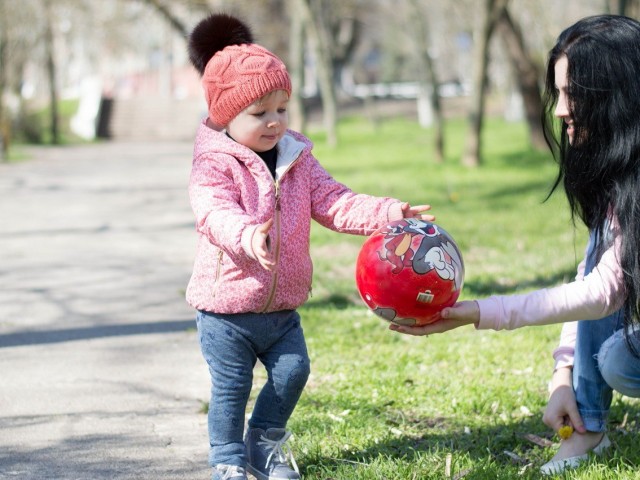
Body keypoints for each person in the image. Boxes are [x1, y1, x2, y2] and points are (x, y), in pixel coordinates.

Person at [390, 14, 640, 476]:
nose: (561, 110)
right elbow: (596, 279)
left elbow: (600, 295)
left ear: (616, 96)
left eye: (574, 96)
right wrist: (563, 373)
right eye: (560, 94)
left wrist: (479, 312)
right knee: (619, 357)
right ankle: (588, 427)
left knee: (622, 360)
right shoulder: (620, 176)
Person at [185, 13, 432, 480]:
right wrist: (246, 234)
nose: (275, 122)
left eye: (282, 109)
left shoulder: (296, 157)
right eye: (259, 114)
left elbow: (335, 201)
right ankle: (227, 459)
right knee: (231, 387)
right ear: (225, 116)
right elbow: (212, 211)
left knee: (293, 372)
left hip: (281, 307)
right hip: (225, 310)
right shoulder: (214, 163)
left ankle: (264, 443)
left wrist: (388, 213)